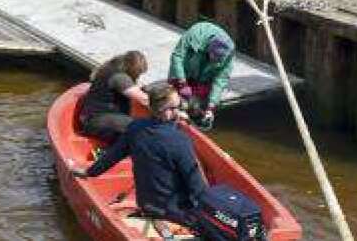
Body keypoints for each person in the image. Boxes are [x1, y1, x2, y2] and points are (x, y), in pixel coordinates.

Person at [73, 85, 206, 228]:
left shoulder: (135, 128)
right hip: (175, 211)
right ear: (162, 110)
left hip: (146, 204)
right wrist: (208, 211)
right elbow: (196, 185)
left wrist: (89, 172)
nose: (179, 112)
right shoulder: (180, 140)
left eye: (179, 107)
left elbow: (113, 155)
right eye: (174, 108)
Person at [168, 22, 235, 130]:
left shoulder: (229, 54)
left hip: (204, 78)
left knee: (200, 103)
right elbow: (177, 56)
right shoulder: (195, 34)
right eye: (213, 57)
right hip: (186, 70)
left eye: (218, 60)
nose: (214, 61)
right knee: (173, 99)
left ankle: (195, 117)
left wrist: (211, 107)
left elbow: (220, 80)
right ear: (209, 47)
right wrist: (182, 82)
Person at [77, 50, 150, 143]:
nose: (139, 76)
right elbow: (144, 100)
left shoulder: (114, 67)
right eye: (138, 73)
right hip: (95, 120)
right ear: (132, 69)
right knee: (139, 127)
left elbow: (136, 87)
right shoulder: (119, 77)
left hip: (96, 116)